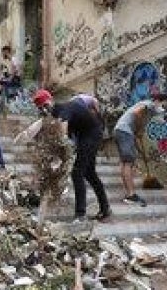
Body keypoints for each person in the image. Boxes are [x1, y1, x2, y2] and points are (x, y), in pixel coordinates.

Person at [34, 89, 111, 222]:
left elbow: (63, 128)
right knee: (90, 174)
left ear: (51, 100)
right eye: (41, 108)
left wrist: (62, 145)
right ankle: (105, 209)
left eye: (45, 105)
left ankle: (80, 214)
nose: (44, 109)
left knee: (77, 173)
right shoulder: (56, 113)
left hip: (91, 134)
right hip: (85, 135)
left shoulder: (63, 108)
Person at [114, 92, 167, 206]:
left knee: (126, 162)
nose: (163, 108)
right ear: (158, 101)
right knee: (128, 163)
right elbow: (136, 113)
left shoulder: (151, 109)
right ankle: (130, 195)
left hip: (121, 131)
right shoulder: (149, 104)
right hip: (125, 131)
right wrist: (139, 128)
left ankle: (129, 193)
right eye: (163, 105)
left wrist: (138, 132)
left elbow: (138, 117)